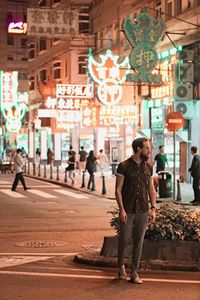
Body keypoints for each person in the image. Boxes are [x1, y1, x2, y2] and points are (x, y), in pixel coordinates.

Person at [115, 137, 156, 284]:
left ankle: (134, 272)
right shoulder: (124, 166)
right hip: (128, 210)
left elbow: (151, 189)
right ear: (138, 149)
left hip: (143, 210)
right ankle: (120, 267)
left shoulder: (149, 166)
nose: (149, 150)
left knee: (139, 242)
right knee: (124, 240)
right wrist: (121, 209)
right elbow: (118, 190)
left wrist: (153, 208)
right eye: (146, 148)